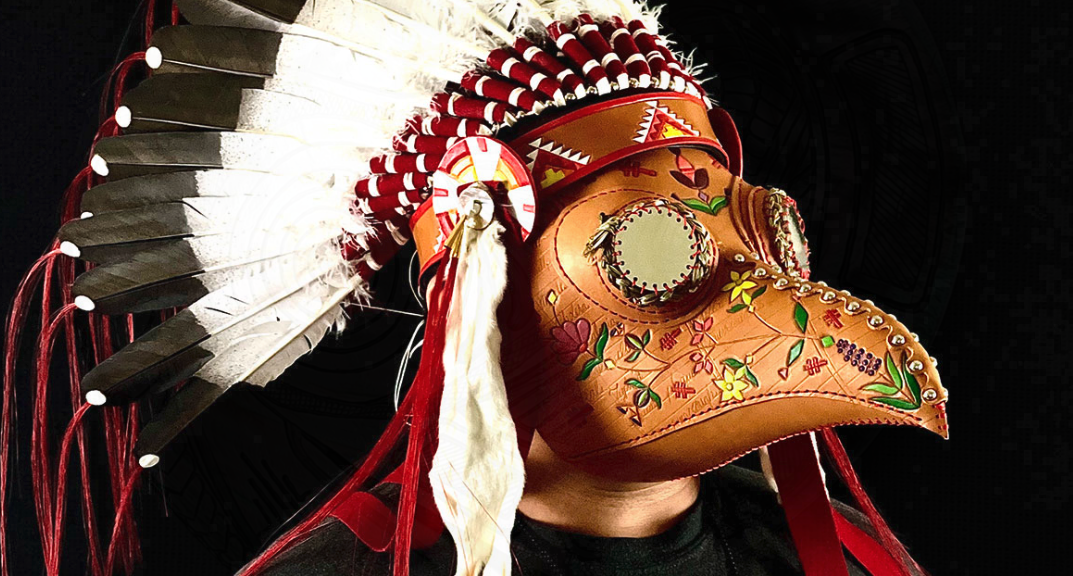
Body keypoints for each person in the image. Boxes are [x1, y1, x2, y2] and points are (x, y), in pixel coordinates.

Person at [1, 1, 947, 575]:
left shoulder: (833, 555)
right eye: (652, 251)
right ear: (483, 284)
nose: (748, 286)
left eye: (754, 226)